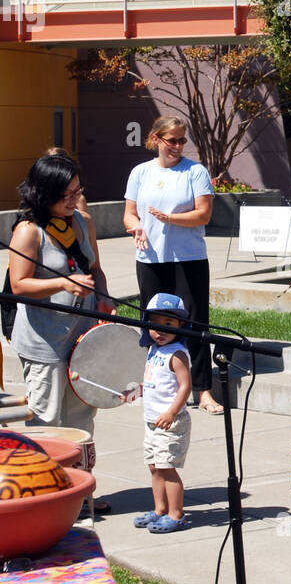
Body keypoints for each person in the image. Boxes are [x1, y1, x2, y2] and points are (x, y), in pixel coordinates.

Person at [8, 155, 115, 512]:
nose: (74, 200)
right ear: (45, 193)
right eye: (67, 194)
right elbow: (18, 286)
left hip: (83, 338)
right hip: (44, 341)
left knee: (82, 418)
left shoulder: (83, 223)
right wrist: (63, 283)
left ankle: (83, 495)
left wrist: (103, 296)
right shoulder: (28, 231)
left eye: (78, 191)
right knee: (47, 419)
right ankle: (46, 497)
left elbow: (95, 269)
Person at [123, 116, 220, 414]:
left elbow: (203, 214)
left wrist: (170, 219)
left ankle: (203, 390)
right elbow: (129, 214)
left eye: (181, 140)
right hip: (150, 258)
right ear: (156, 139)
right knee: (152, 321)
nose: (177, 146)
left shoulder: (195, 172)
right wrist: (137, 227)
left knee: (193, 321)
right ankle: (153, 381)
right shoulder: (140, 172)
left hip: (187, 258)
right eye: (172, 140)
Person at [133, 293, 192, 533]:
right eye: (155, 323)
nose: (160, 330)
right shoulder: (153, 350)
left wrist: (171, 413)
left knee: (167, 469)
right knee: (154, 467)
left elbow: (186, 386)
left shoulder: (177, 354)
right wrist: (136, 391)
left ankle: (176, 514)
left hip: (172, 422)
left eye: (168, 324)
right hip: (152, 421)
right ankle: (159, 509)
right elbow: (152, 381)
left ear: (180, 326)